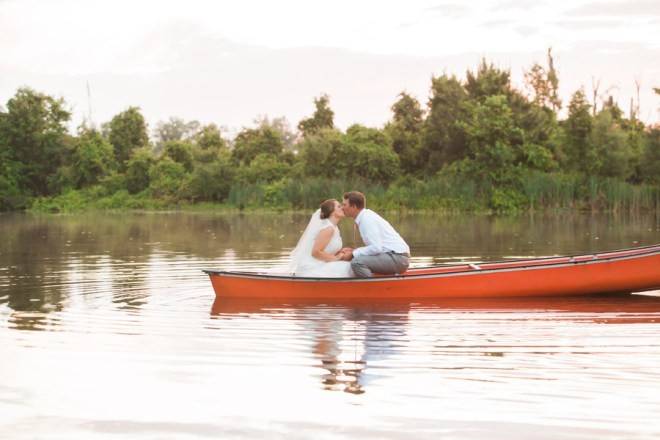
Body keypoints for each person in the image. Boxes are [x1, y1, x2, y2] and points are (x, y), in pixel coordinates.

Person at [340, 191, 410, 278]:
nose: (342, 208)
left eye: (344, 205)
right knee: (357, 259)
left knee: (357, 262)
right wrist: (354, 251)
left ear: (354, 207)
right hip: (394, 256)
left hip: (397, 258)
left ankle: (373, 288)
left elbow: (376, 248)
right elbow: (377, 248)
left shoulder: (366, 220)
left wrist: (353, 253)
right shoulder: (365, 216)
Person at [288, 199, 355, 278]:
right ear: (332, 211)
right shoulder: (328, 228)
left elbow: (326, 250)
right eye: (339, 206)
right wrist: (337, 258)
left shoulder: (334, 227)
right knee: (350, 267)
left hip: (323, 263)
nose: (342, 208)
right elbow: (316, 252)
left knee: (352, 264)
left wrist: (341, 251)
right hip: (313, 267)